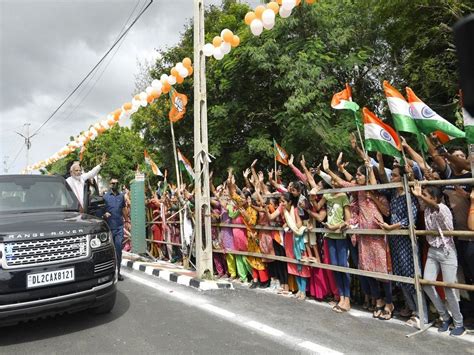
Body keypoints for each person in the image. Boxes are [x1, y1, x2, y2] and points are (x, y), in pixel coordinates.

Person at [412, 181, 466, 337]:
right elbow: (424, 204)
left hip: (447, 251)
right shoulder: (427, 209)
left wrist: (420, 196)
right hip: (433, 251)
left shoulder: (442, 208)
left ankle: (459, 323)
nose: (423, 198)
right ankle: (445, 317)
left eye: (426, 196)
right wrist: (419, 194)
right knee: (427, 283)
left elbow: (436, 207)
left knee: (449, 288)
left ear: (435, 198)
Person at [104, 178, 126, 281]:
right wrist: (104, 214)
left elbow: (123, 210)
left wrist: (128, 221)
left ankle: (118, 272)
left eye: (117, 183)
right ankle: (110, 272)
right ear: (109, 184)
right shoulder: (105, 197)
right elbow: (100, 211)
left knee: (118, 249)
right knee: (109, 252)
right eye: (113, 183)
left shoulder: (121, 196)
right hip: (109, 228)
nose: (115, 185)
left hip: (119, 227)